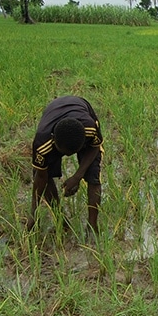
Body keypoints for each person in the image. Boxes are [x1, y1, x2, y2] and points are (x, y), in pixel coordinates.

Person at [30, 96, 104, 236]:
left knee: (93, 174)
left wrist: (77, 177)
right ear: (54, 143)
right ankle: (61, 220)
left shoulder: (90, 128)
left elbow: (94, 147)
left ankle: (92, 228)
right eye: (65, 153)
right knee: (46, 173)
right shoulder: (42, 143)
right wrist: (33, 213)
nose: (69, 156)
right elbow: (40, 177)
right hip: (53, 114)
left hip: (81, 107)